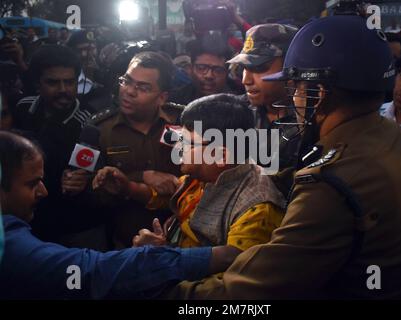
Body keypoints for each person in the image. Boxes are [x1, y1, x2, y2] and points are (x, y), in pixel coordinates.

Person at [167, 15, 401, 299]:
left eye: (293, 89)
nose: (292, 99)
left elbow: (257, 288)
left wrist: (170, 294)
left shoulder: (330, 182)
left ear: (317, 93)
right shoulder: (388, 134)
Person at [0, 131, 237, 299]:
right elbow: (90, 273)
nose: (43, 191)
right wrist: (210, 257)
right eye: (32, 184)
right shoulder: (8, 246)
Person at [92, 94, 285, 253]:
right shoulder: (207, 174)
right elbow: (176, 192)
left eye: (187, 142)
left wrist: (162, 259)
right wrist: (129, 187)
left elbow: (230, 283)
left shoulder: (256, 211)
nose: (177, 147)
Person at [87, 51, 183, 248]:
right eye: (126, 81)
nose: (129, 91)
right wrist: (141, 176)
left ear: (162, 97)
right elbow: (88, 191)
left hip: (182, 242)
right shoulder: (99, 129)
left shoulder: (183, 122)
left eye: (142, 87)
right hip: (124, 245)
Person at [14, 45, 97, 243]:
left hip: (71, 228)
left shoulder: (89, 123)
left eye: (69, 82)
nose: (63, 90)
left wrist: (82, 179)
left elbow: (90, 170)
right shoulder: (22, 108)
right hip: (25, 224)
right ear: (37, 84)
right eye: (53, 82)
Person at [227, 23, 299, 172]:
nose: (246, 80)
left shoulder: (314, 120)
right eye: (244, 68)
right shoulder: (236, 111)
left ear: (291, 67)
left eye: (259, 68)